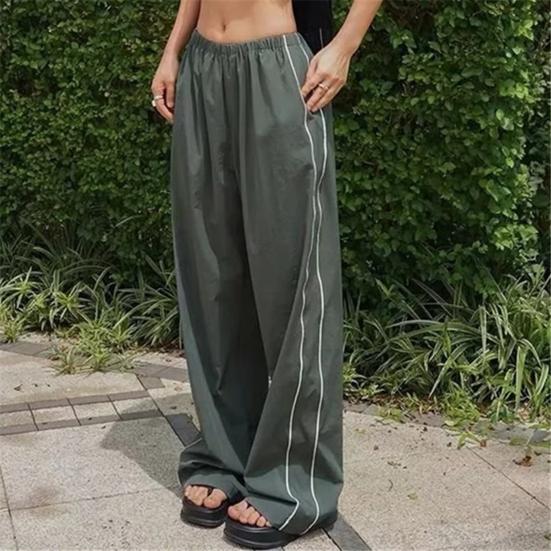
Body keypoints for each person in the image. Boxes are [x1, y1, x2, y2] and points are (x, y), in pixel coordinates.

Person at [151, 1, 382, 548]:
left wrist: (344, 47)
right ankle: (223, 455)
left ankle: (296, 483)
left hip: (279, 68)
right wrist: (172, 49)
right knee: (213, 278)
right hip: (204, 66)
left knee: (296, 285)